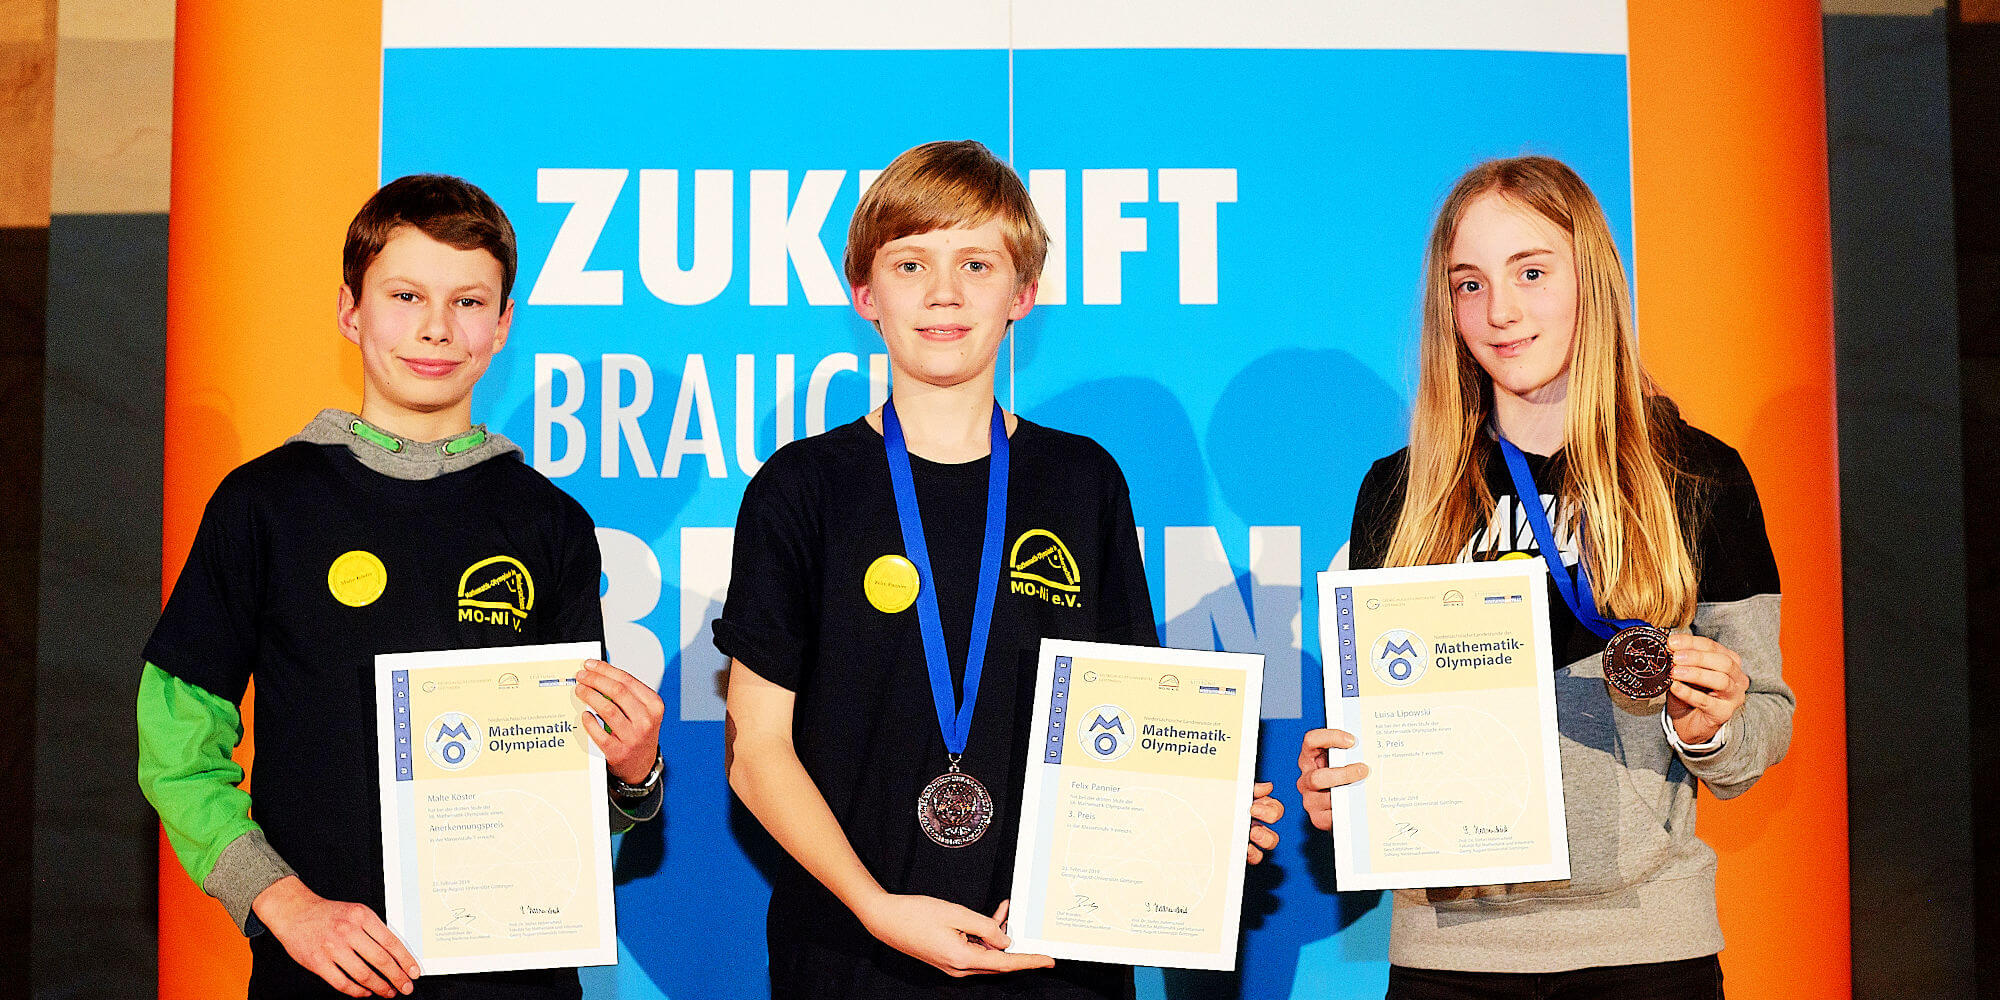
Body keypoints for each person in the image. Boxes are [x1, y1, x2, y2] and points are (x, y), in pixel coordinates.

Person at [717, 139, 1284, 999]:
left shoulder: (1082, 480)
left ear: (1021, 294)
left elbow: (1127, 719)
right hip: (851, 955)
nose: (944, 293)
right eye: (911, 264)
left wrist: (1191, 814)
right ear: (864, 293)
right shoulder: (800, 488)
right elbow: (756, 753)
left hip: (1057, 955)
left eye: (976, 263)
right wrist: (878, 909)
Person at [137, 174, 666, 1000]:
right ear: (350, 310)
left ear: (502, 327)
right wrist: (284, 903)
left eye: (468, 302)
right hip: (321, 973)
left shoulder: (550, 522)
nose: (435, 328)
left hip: (513, 978)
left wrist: (632, 775)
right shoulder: (263, 504)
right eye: (406, 294)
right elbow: (175, 746)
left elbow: (569, 799)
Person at [1296, 156, 1792, 999]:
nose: (1502, 311)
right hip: (1450, 960)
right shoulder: (1401, 490)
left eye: (1531, 272)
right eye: (1470, 285)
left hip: (1647, 951)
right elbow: (1382, 736)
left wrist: (1711, 724)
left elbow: (1762, 733)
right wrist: (1345, 792)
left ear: (1589, 279)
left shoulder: (1697, 475)